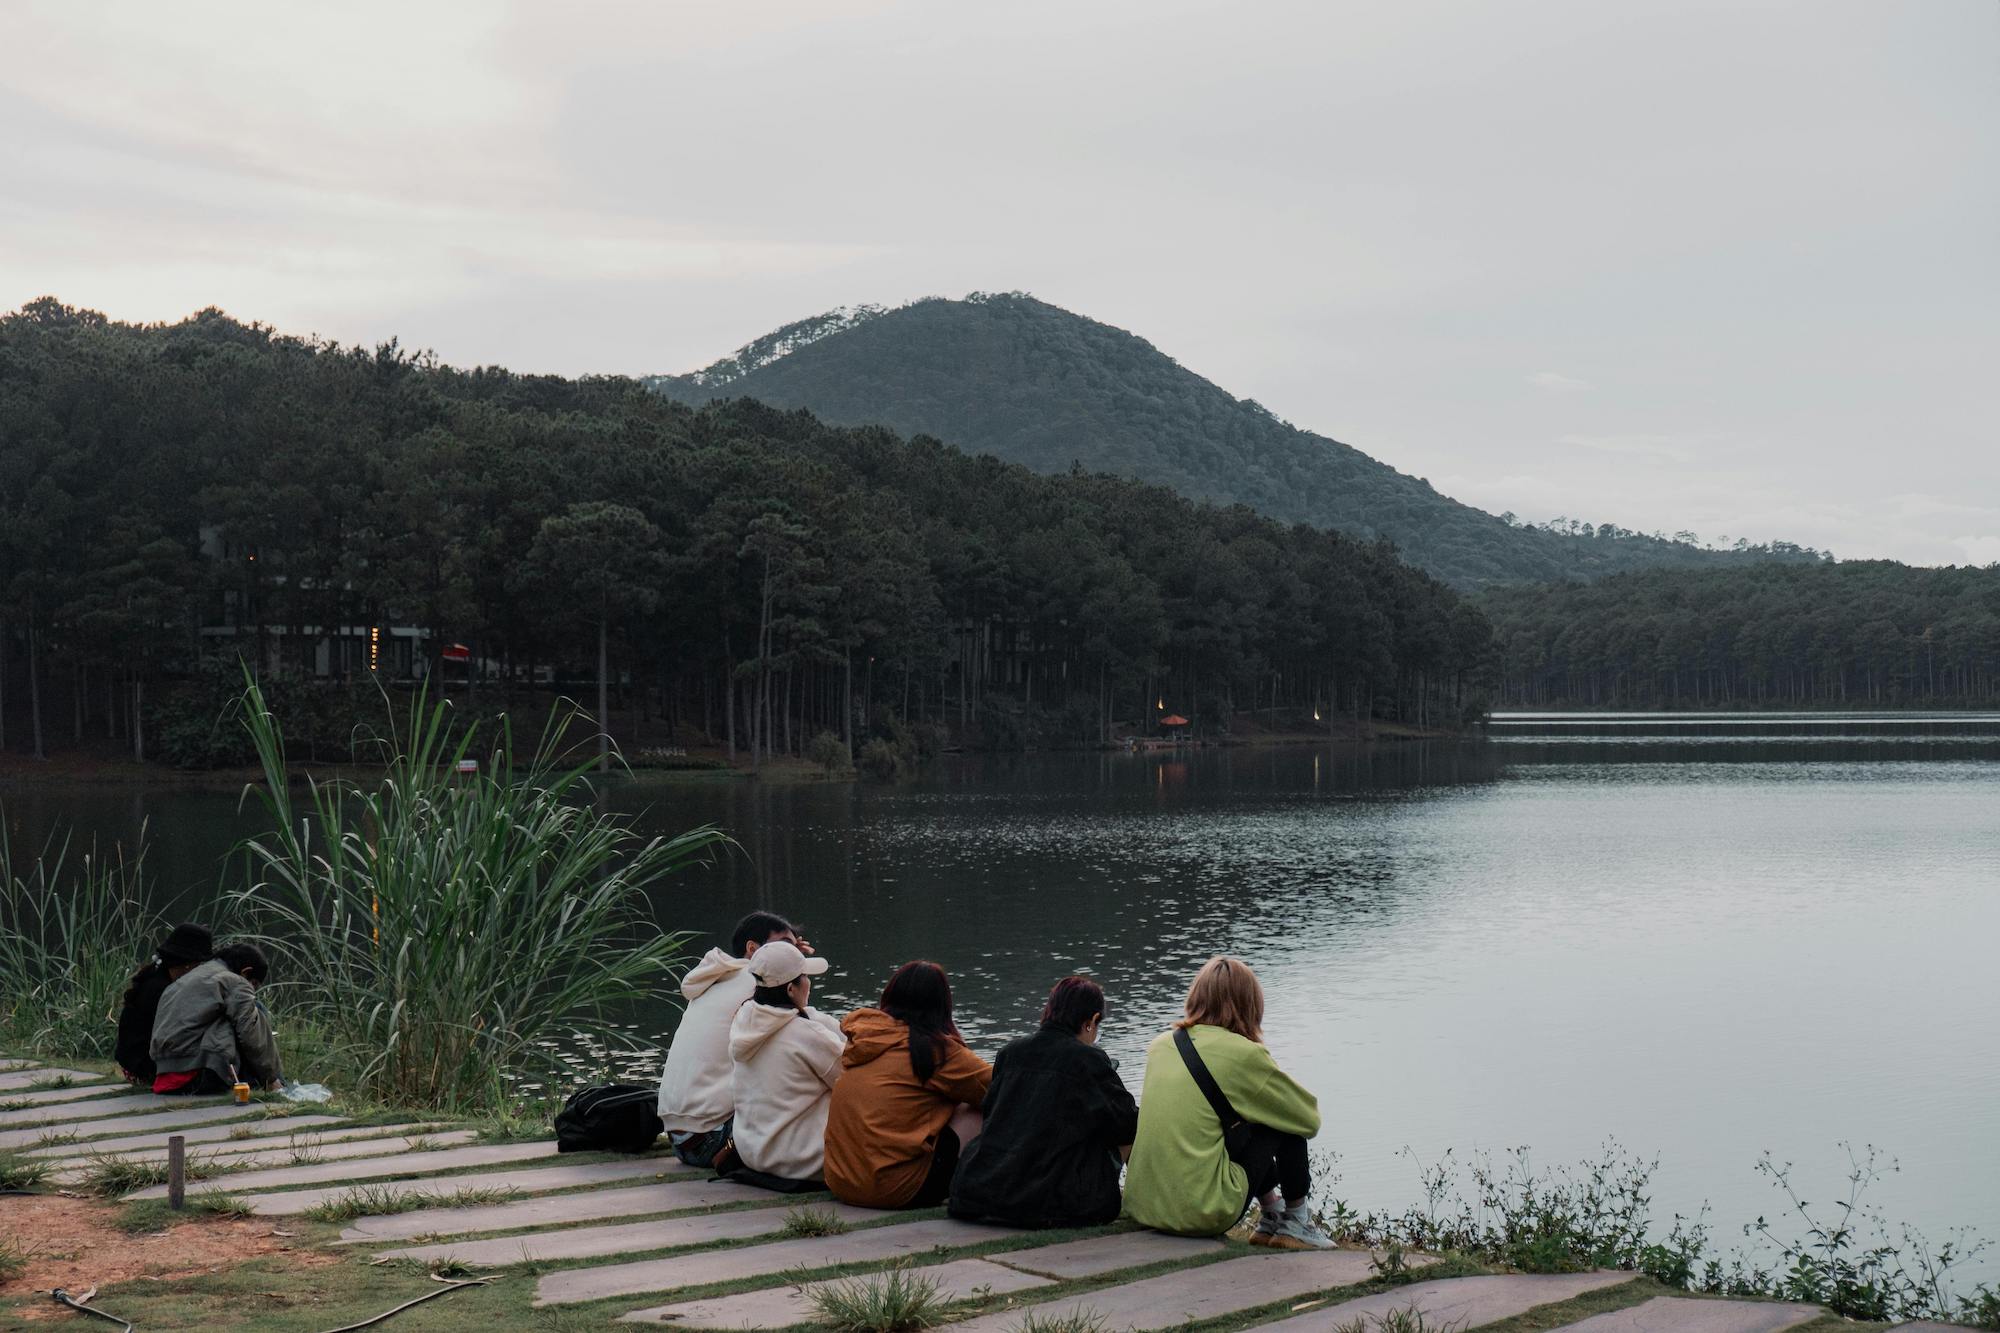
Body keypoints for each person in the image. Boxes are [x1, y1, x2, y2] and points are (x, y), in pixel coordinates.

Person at [1122, 956, 1329, 1250]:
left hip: (1146, 1206)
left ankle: (1271, 1213)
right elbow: (1307, 1119)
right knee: (1284, 1120)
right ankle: (1296, 1221)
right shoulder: (1244, 1054)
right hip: (1201, 1211)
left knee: (1231, 1118)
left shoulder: (1160, 1046)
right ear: (1249, 1004)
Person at [948, 975, 1139, 1228]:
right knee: (1129, 1126)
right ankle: (1143, 1201)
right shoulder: (1087, 1059)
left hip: (982, 1192)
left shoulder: (1009, 1053)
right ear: (1092, 1021)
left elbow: (993, 1115)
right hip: (1051, 1201)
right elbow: (1128, 1122)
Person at [825, 961, 992, 1209]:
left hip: (842, 1183)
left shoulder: (864, 1041)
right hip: (896, 1189)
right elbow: (1004, 1085)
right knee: (978, 1108)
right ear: (942, 1003)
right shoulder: (935, 1050)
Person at [657, 911, 811, 1167]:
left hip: (681, 1140)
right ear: (753, 948)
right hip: (713, 1140)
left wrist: (791, 960)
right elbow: (807, 1033)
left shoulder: (717, 980)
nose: (793, 955)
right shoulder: (756, 986)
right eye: (785, 947)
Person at [724, 941, 845, 1187]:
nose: (809, 983)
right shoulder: (807, 1035)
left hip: (753, 1154)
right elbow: (855, 1082)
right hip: (803, 1161)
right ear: (791, 989)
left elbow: (806, 1016)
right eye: (805, 978)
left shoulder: (744, 1021)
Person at [150, 942, 282, 1096]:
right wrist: (270, 1078)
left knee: (236, 1012)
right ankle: (276, 1086)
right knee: (256, 1010)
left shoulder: (190, 977)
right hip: (197, 1075)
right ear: (246, 972)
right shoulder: (236, 981)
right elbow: (249, 1032)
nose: (251, 988)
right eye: (254, 984)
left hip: (164, 1074)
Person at [114, 923, 214, 1084]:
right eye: (200, 964)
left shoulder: (159, 978)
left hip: (137, 1061)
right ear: (189, 963)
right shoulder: (160, 990)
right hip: (142, 1066)